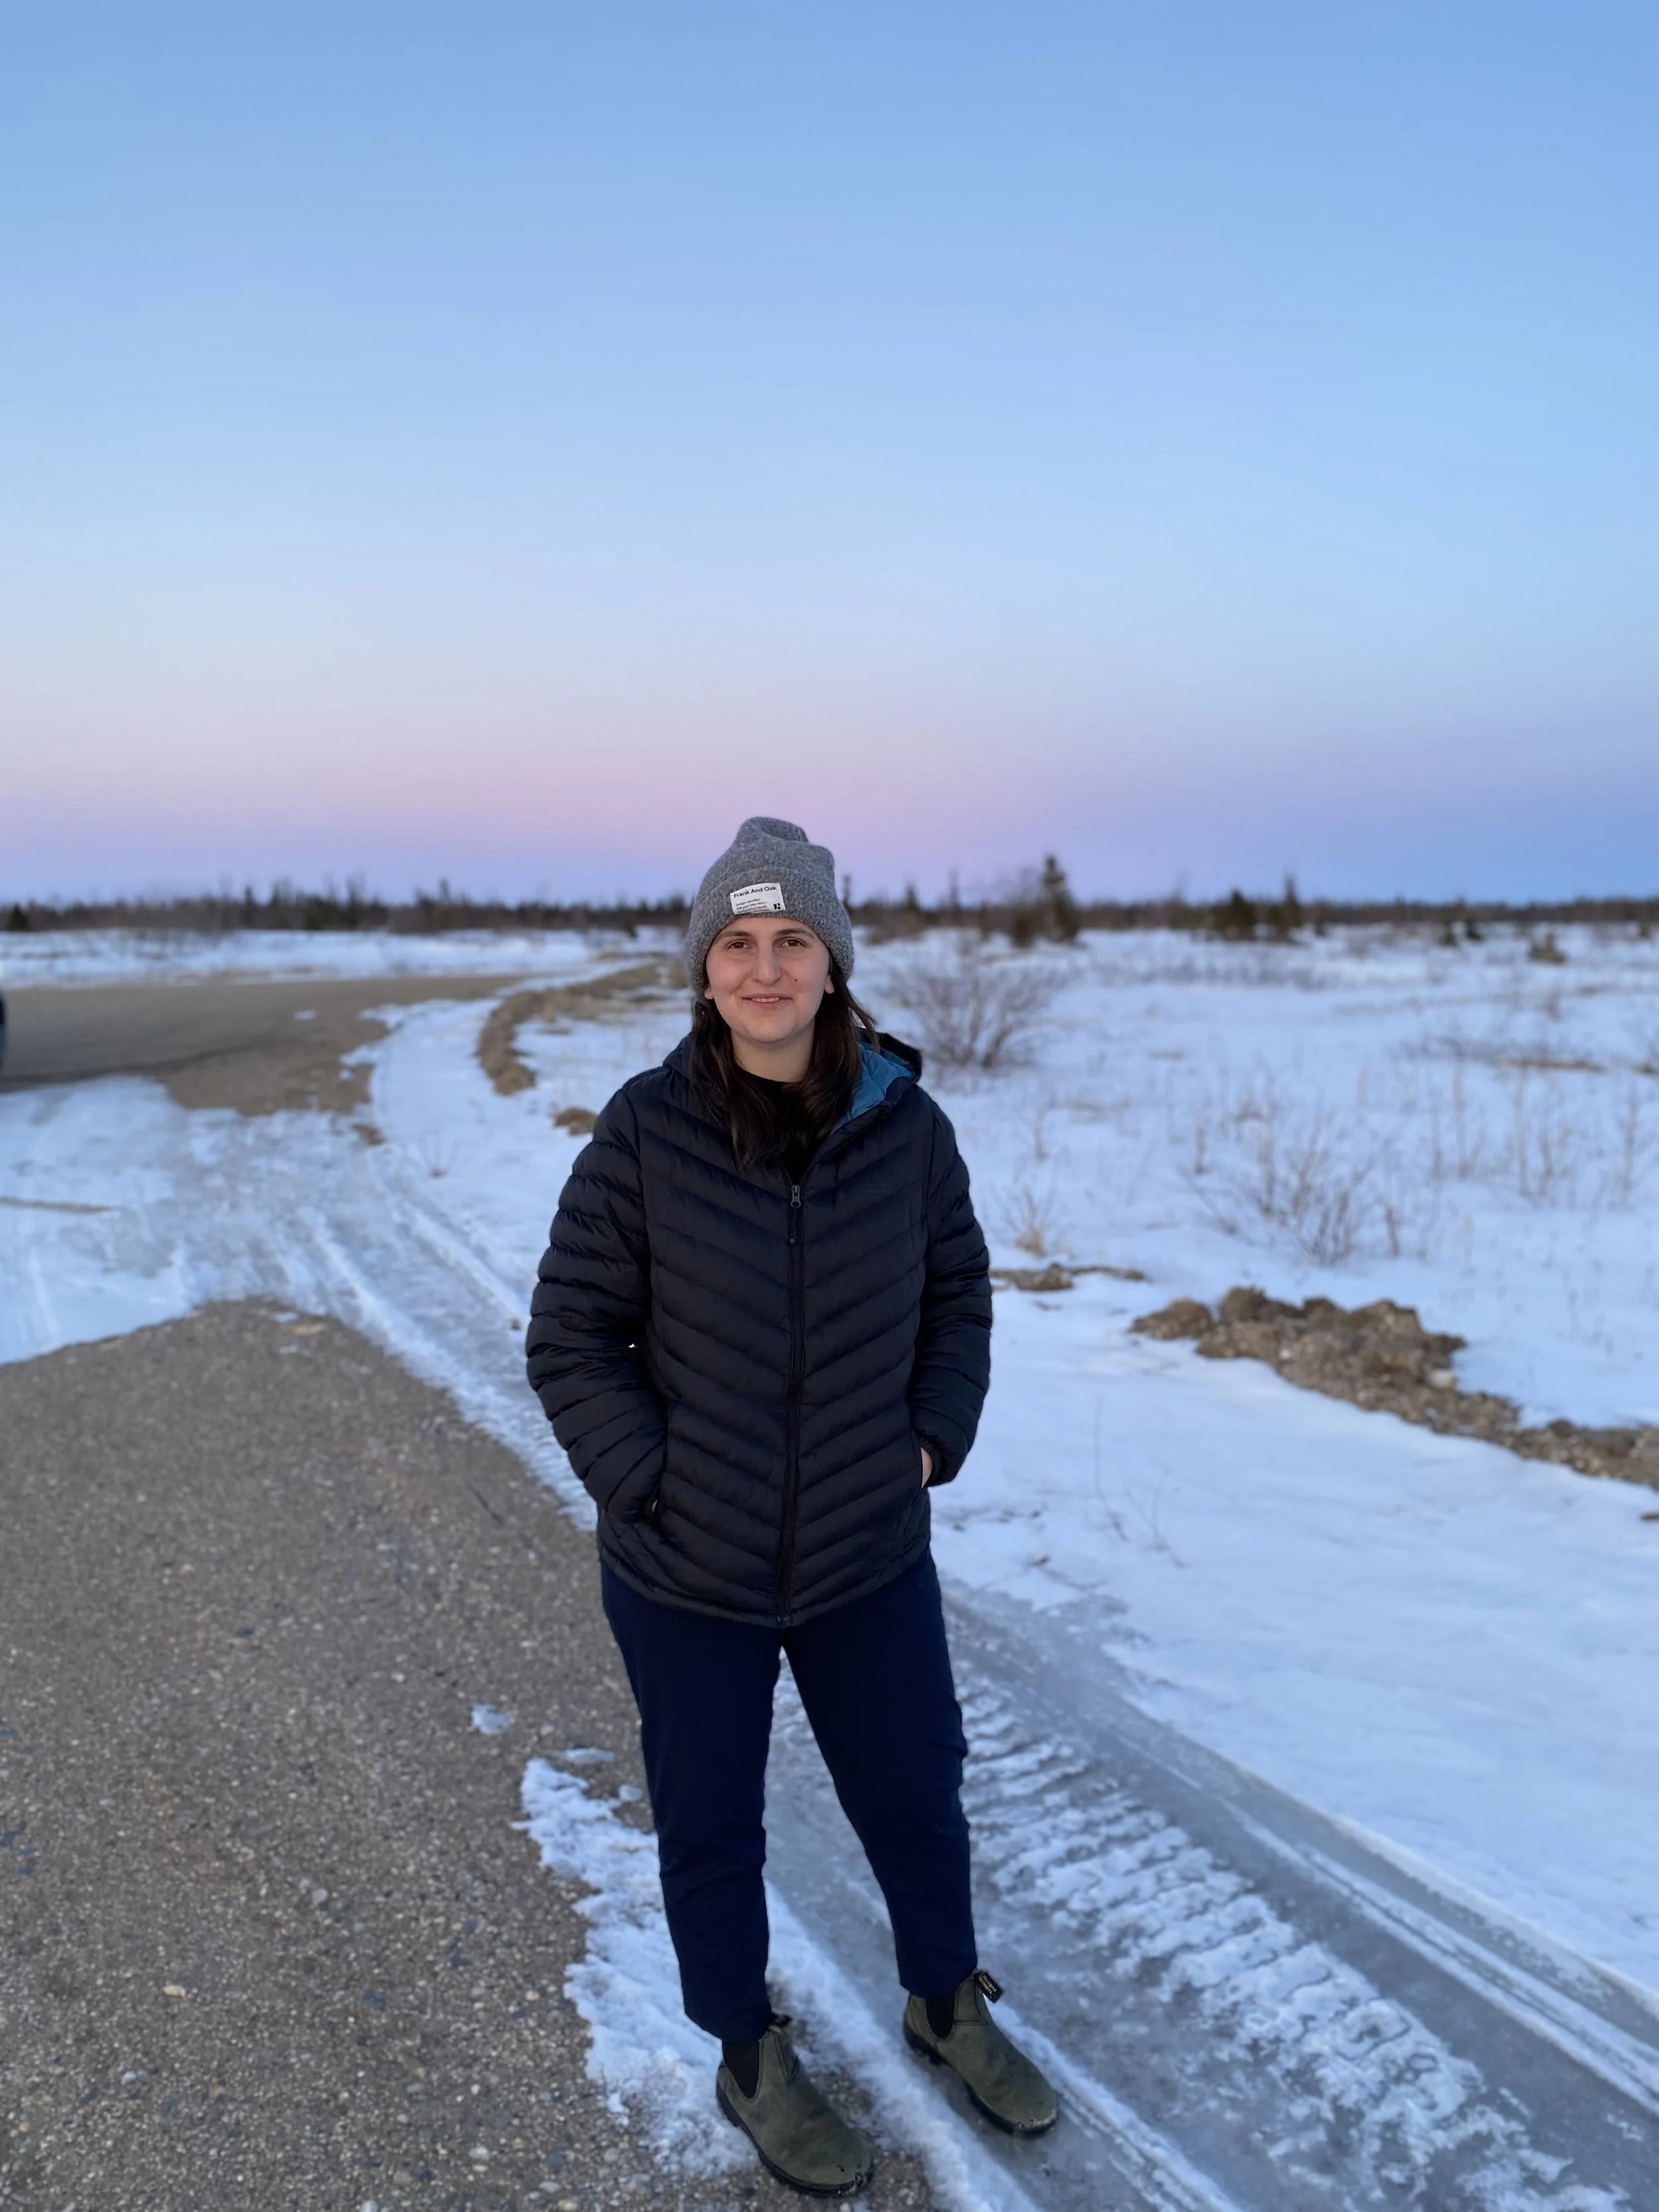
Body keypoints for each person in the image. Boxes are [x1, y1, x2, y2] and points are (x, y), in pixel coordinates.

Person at [527, 816, 1056, 2195]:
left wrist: (932, 1435)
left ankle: (943, 1998)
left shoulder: (905, 1126)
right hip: (682, 1567)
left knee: (913, 1792)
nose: (764, 969)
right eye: (737, 944)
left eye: (792, 941)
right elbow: (570, 1332)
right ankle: (747, 2051)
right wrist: (646, 1477)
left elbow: (957, 1288)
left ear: (831, 964)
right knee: (711, 1819)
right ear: (705, 971)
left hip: (865, 1553)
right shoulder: (646, 1133)